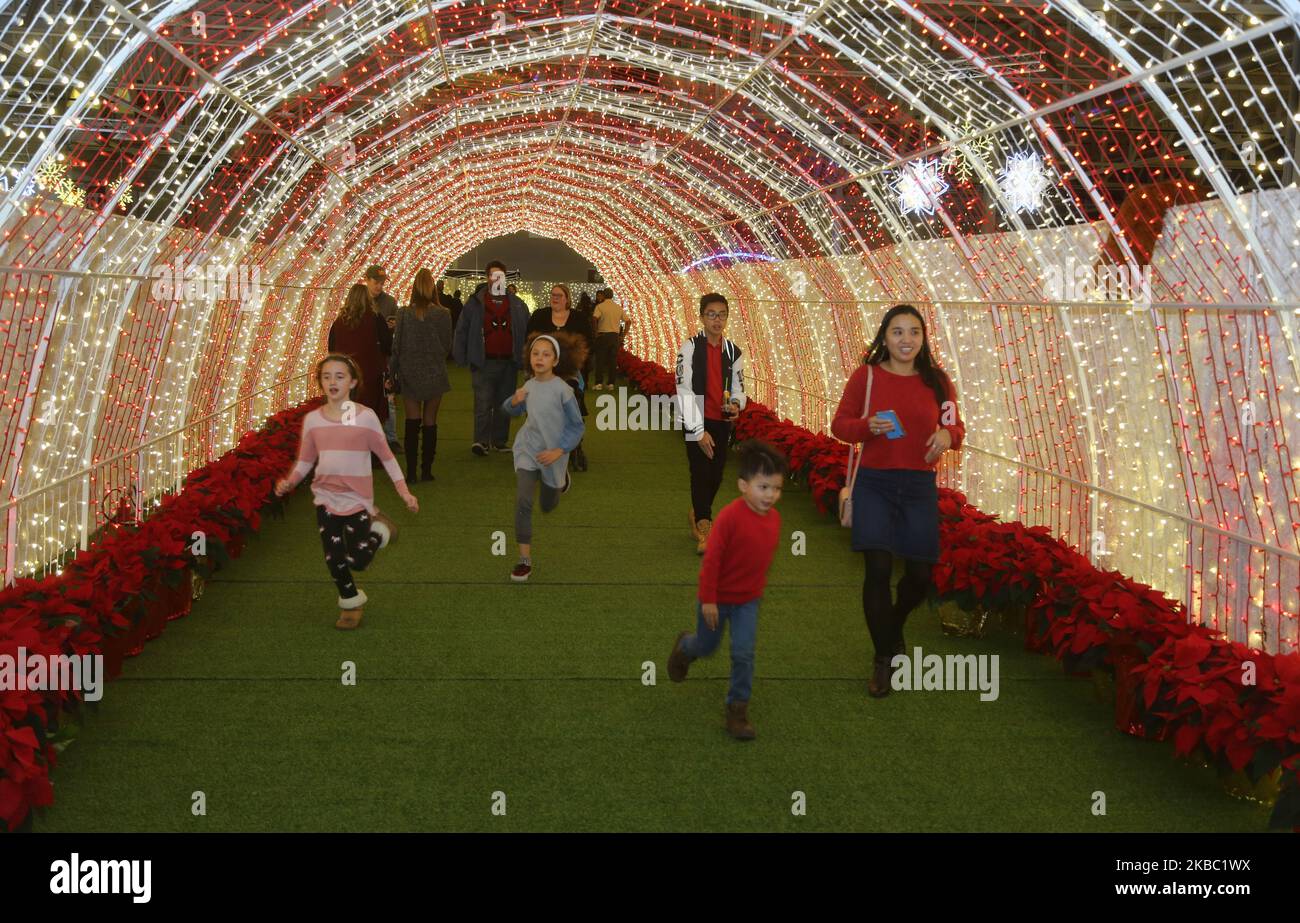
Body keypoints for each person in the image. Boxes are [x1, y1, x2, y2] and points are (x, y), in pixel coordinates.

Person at [830, 304, 965, 699]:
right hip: (875, 483)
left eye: (914, 332)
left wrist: (949, 437)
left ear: (923, 339)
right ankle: (884, 657)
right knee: (877, 568)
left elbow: (955, 426)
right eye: (897, 332)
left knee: (920, 576)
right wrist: (866, 426)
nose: (906, 339)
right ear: (884, 337)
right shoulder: (866, 377)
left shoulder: (938, 382)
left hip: (919, 486)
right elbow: (840, 426)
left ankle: (893, 624)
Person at [275, 354, 419, 629]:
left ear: (352, 382)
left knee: (358, 560)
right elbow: (305, 461)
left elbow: (387, 457)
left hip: (357, 501)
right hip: (326, 500)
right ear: (320, 382)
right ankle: (350, 598)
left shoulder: (366, 418)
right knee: (334, 557)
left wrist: (404, 492)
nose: (332, 382)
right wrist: (289, 482)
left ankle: (379, 532)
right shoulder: (313, 421)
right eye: (326, 377)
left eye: (339, 376)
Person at [667, 440, 786, 740]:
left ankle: (737, 708)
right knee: (706, 648)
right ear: (743, 485)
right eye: (763, 487)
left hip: (748, 602)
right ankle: (685, 648)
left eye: (776, 489)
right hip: (716, 600)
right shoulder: (730, 518)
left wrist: (754, 592)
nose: (770, 495)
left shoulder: (774, 520)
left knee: (743, 652)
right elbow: (712, 562)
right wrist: (708, 600)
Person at [502, 332, 586, 583]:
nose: (539, 358)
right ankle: (524, 561)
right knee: (523, 502)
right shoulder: (527, 385)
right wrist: (513, 401)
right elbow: (511, 410)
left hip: (554, 455)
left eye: (546, 354)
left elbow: (577, 426)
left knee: (548, 505)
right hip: (527, 450)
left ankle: (560, 484)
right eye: (535, 353)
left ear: (555, 361)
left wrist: (560, 450)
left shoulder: (563, 391)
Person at [675, 292, 746, 555]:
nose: (717, 320)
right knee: (700, 472)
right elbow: (683, 388)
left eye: (722, 314)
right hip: (696, 418)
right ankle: (705, 527)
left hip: (721, 421)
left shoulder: (733, 351)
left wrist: (737, 404)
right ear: (702, 317)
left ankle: (699, 509)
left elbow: (739, 387)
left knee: (716, 474)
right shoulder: (690, 347)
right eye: (711, 314)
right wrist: (697, 430)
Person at [452, 260, 531, 456]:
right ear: (487, 278)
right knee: (483, 403)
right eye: (493, 275)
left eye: (500, 275)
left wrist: (524, 359)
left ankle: (499, 440)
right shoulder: (475, 302)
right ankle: (481, 441)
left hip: (508, 362)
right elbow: (462, 329)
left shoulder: (517, 304)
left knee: (504, 403)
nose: (496, 279)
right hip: (483, 360)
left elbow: (526, 331)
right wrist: (460, 355)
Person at [390, 269, 453, 482]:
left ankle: (410, 473)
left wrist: (393, 373)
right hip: (435, 372)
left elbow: (396, 347)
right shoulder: (443, 314)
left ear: (414, 288)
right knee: (430, 421)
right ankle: (427, 471)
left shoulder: (403, 314)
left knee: (411, 421)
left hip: (410, 372)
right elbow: (447, 345)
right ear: (433, 287)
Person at [527, 284, 595, 471]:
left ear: (567, 299)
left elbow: (587, 345)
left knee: (574, 406)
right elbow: (530, 341)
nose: (555, 298)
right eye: (553, 295)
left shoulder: (578, 318)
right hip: (543, 373)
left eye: (559, 295)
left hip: (570, 373)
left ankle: (575, 447)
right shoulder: (539, 316)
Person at [328, 283, 392, 444]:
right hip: (370, 374)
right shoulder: (375, 319)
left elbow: (331, 347)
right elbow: (387, 344)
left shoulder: (339, 322)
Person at [364, 266, 401, 452]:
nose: (379, 286)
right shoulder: (360, 301)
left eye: (381, 282)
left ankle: (391, 438)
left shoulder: (389, 302)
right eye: (376, 282)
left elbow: (394, 326)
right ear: (367, 280)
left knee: (388, 398)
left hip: (384, 357)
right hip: (365, 358)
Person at [591, 288, 629, 391]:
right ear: (612, 296)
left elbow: (594, 318)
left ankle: (599, 383)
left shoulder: (600, 306)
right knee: (613, 361)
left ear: (604, 295)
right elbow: (628, 321)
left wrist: (595, 332)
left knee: (600, 360)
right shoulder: (618, 308)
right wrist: (623, 335)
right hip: (614, 336)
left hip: (602, 335)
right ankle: (611, 384)